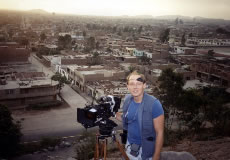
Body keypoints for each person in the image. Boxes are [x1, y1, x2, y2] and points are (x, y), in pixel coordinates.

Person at [116, 70, 164, 160]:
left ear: (144, 85)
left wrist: (156, 156)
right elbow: (126, 119)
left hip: (145, 151)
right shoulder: (127, 100)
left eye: (138, 83)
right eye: (132, 84)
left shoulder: (154, 104)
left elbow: (159, 132)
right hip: (129, 147)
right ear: (127, 86)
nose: (135, 87)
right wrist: (112, 113)